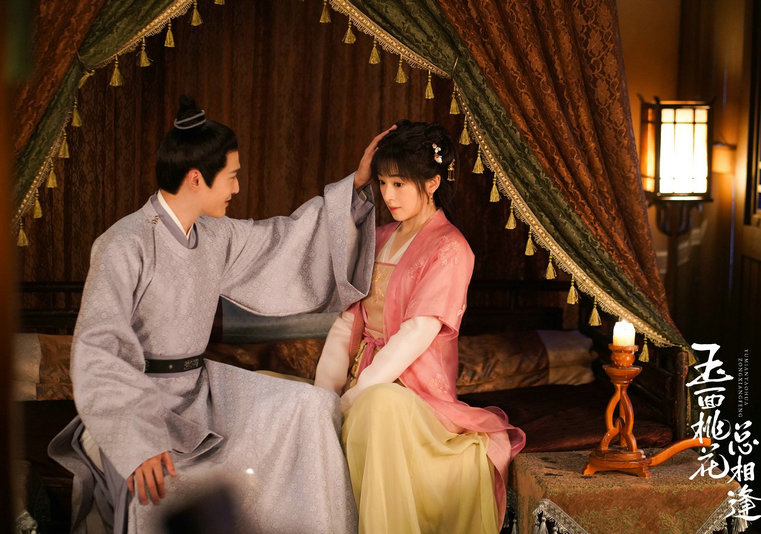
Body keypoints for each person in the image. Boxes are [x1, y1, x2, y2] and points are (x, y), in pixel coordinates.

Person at [49, 95, 387, 534]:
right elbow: (99, 350)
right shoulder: (122, 245)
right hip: (141, 404)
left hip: (201, 394)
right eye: (232, 176)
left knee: (312, 405)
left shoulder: (214, 235)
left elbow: (283, 241)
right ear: (196, 178)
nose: (237, 189)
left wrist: (354, 189)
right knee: (166, 491)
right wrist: (136, 441)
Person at [314, 120, 526, 533]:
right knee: (292, 401)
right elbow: (347, 322)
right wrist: (325, 395)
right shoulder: (378, 236)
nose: (388, 196)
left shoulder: (451, 248)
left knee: (378, 406)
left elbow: (416, 333)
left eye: (399, 184)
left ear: (432, 182)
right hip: (362, 380)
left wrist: (354, 398)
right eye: (382, 183)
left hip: (414, 396)